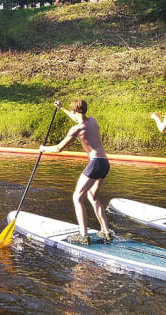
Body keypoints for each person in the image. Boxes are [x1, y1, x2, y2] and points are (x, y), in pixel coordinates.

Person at [40, 99, 112, 245]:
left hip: (95, 163)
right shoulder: (92, 121)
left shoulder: (76, 129)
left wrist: (43, 149)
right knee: (93, 197)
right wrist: (61, 109)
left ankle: (83, 235)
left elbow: (59, 148)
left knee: (77, 197)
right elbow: (77, 117)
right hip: (105, 163)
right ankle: (106, 231)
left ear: (74, 111)